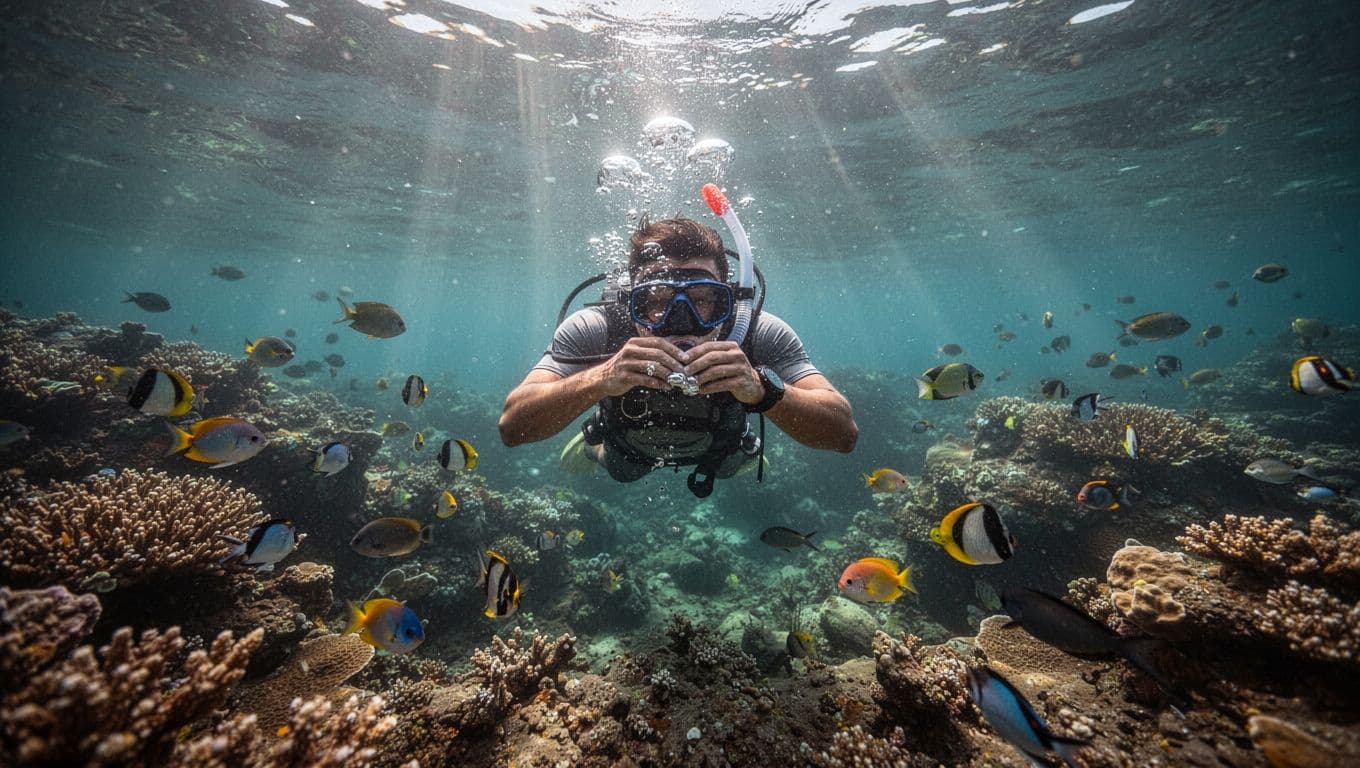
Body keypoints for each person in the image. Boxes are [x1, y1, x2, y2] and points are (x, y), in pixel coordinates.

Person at [499, 217, 857, 497]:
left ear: (728, 299)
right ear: (631, 301)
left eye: (703, 299)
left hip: (721, 447)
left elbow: (844, 434)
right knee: (622, 471)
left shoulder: (757, 331)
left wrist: (765, 390)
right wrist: (602, 377)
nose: (681, 322)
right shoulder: (597, 327)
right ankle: (594, 447)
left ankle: (743, 449)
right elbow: (512, 426)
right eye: (656, 301)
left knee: (734, 463)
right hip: (628, 448)